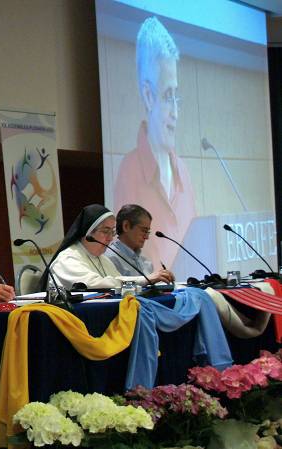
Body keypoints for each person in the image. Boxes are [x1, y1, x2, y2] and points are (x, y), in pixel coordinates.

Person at [113, 17, 196, 271]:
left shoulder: (183, 171)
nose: (175, 113)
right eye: (168, 96)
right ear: (148, 97)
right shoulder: (130, 170)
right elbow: (121, 256)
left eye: (176, 98)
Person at [38, 204, 172, 290]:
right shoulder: (67, 258)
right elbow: (92, 284)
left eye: (112, 232)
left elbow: (121, 283)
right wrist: (144, 280)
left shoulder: (103, 260)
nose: (110, 237)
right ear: (88, 233)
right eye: (105, 231)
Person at [106, 204, 174, 283]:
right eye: (143, 231)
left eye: (147, 232)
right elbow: (113, 287)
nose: (146, 237)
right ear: (126, 226)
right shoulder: (109, 259)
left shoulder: (145, 262)